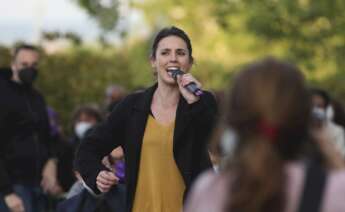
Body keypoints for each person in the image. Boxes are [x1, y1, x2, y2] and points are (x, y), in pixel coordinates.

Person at [75, 26, 217, 212]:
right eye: (165, 52)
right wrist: (97, 174)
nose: (173, 58)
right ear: (153, 61)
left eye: (180, 53)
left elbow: (218, 144)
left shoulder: (203, 101)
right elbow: (88, 148)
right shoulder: (132, 106)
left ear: (189, 62)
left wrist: (195, 103)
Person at [184, 58, 345, 212]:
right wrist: (329, 150)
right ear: (304, 119)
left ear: (233, 120)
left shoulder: (209, 190)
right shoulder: (334, 191)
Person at [0, 44, 59, 212]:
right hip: (12, 189)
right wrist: (7, 192)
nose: (29, 69)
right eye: (24, 64)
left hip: (38, 186)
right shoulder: (2, 94)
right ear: (14, 65)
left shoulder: (37, 97)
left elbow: (47, 136)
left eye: (34, 65)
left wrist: (51, 161)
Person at [311, 88, 345, 157]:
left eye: (319, 106)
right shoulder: (294, 130)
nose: (315, 110)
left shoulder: (336, 132)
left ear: (328, 110)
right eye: (311, 106)